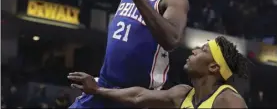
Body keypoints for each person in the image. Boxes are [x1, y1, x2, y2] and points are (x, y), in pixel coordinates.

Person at [68, 36, 249, 108]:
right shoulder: (183, 94)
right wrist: (97, 90)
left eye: (202, 50)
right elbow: (138, 96)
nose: (194, 51)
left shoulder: (228, 101)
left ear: (214, 67)